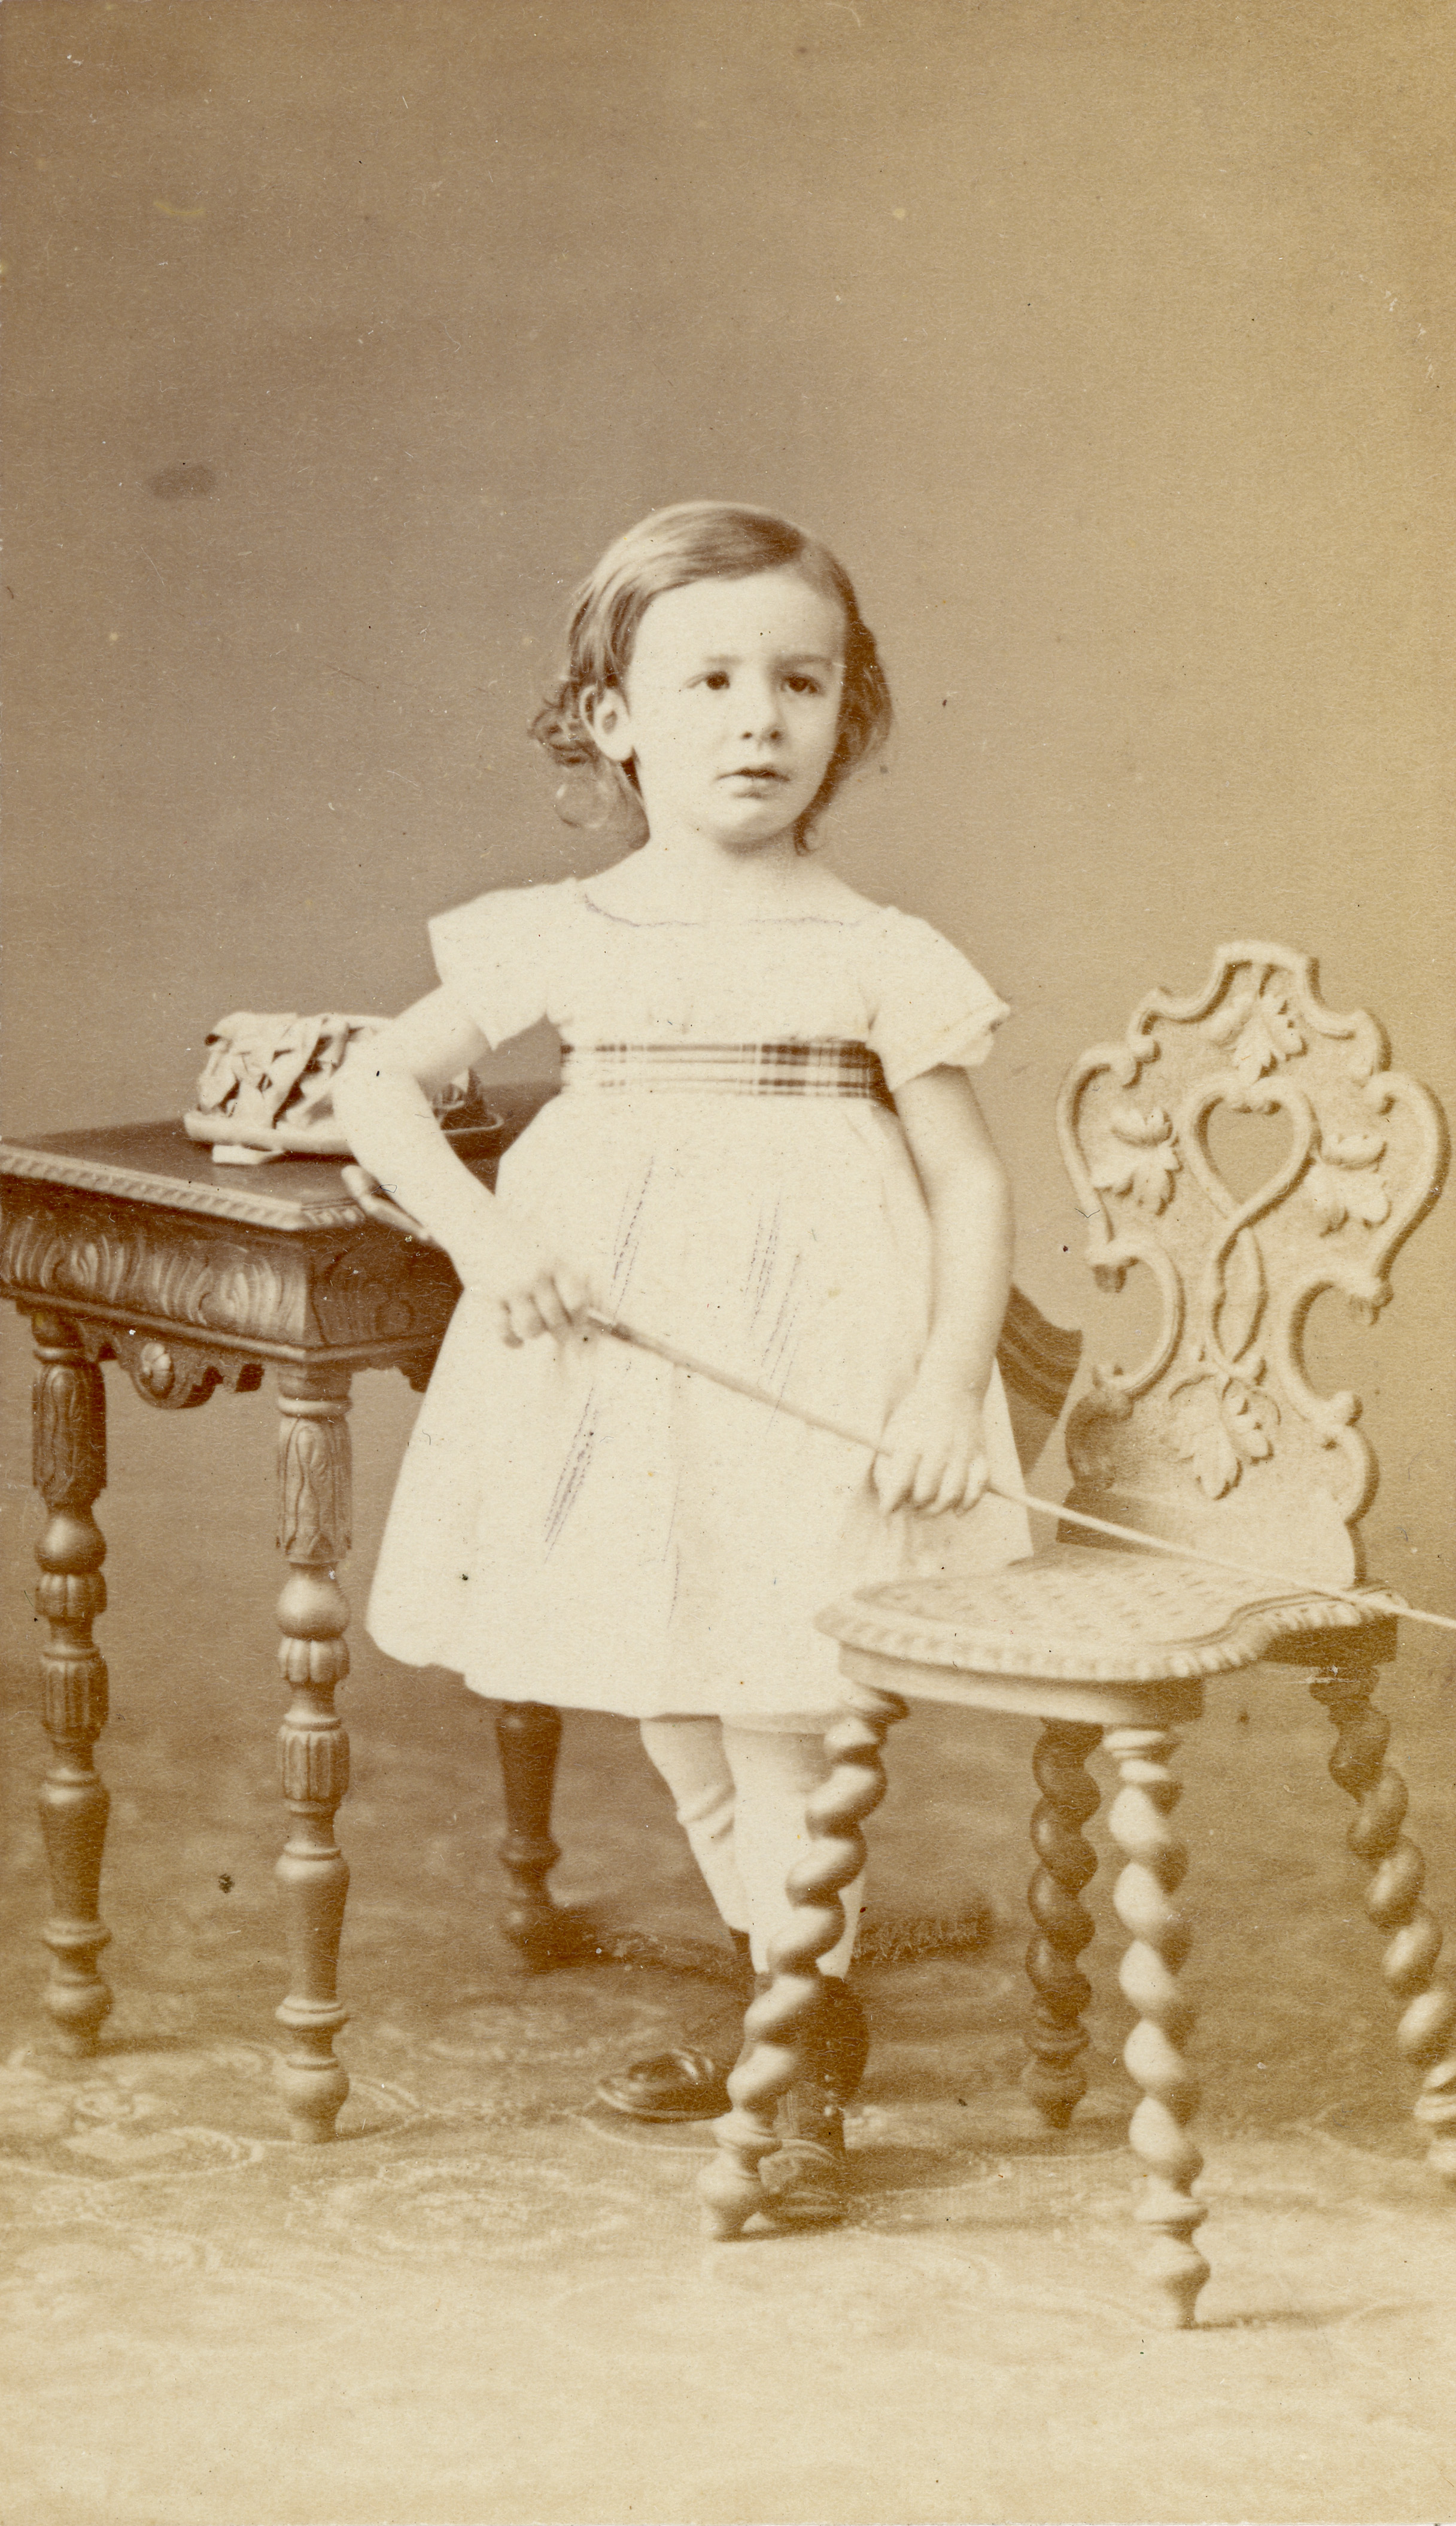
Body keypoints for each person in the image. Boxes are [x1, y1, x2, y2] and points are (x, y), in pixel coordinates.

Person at [333, 500, 1031, 2223]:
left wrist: (946, 1386)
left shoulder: (874, 949)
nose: (757, 720)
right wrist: (482, 1237)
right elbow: (375, 1084)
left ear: (848, 712)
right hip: (625, 1382)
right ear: (613, 718)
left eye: (800, 680)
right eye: (707, 680)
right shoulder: (566, 926)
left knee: (781, 1701)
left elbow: (966, 1179)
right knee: (674, 1694)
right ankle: (802, 1994)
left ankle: (799, 2060)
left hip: (821, 1371)